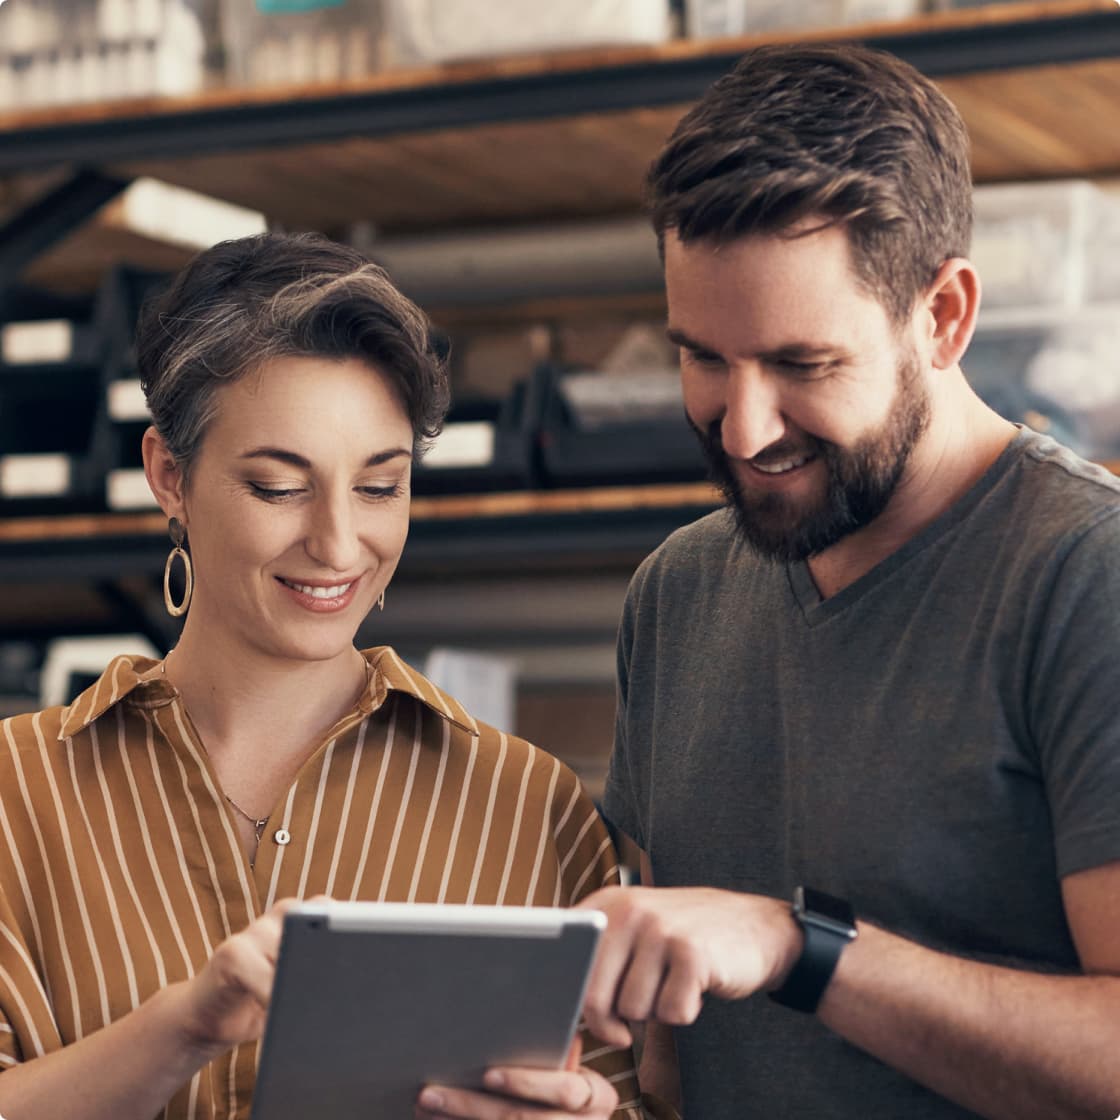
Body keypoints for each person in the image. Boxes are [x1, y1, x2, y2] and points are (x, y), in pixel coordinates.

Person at [577, 42, 1120, 1120]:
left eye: (800, 364)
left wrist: (798, 946)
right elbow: (675, 1066)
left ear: (944, 317)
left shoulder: (1083, 578)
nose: (743, 427)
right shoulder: (676, 593)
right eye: (703, 358)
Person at [0, 232, 639, 1120]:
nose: (339, 545)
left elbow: (617, 1098)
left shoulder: (529, 806)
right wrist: (185, 1027)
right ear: (169, 477)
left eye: (380, 487)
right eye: (276, 487)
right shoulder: (15, 792)